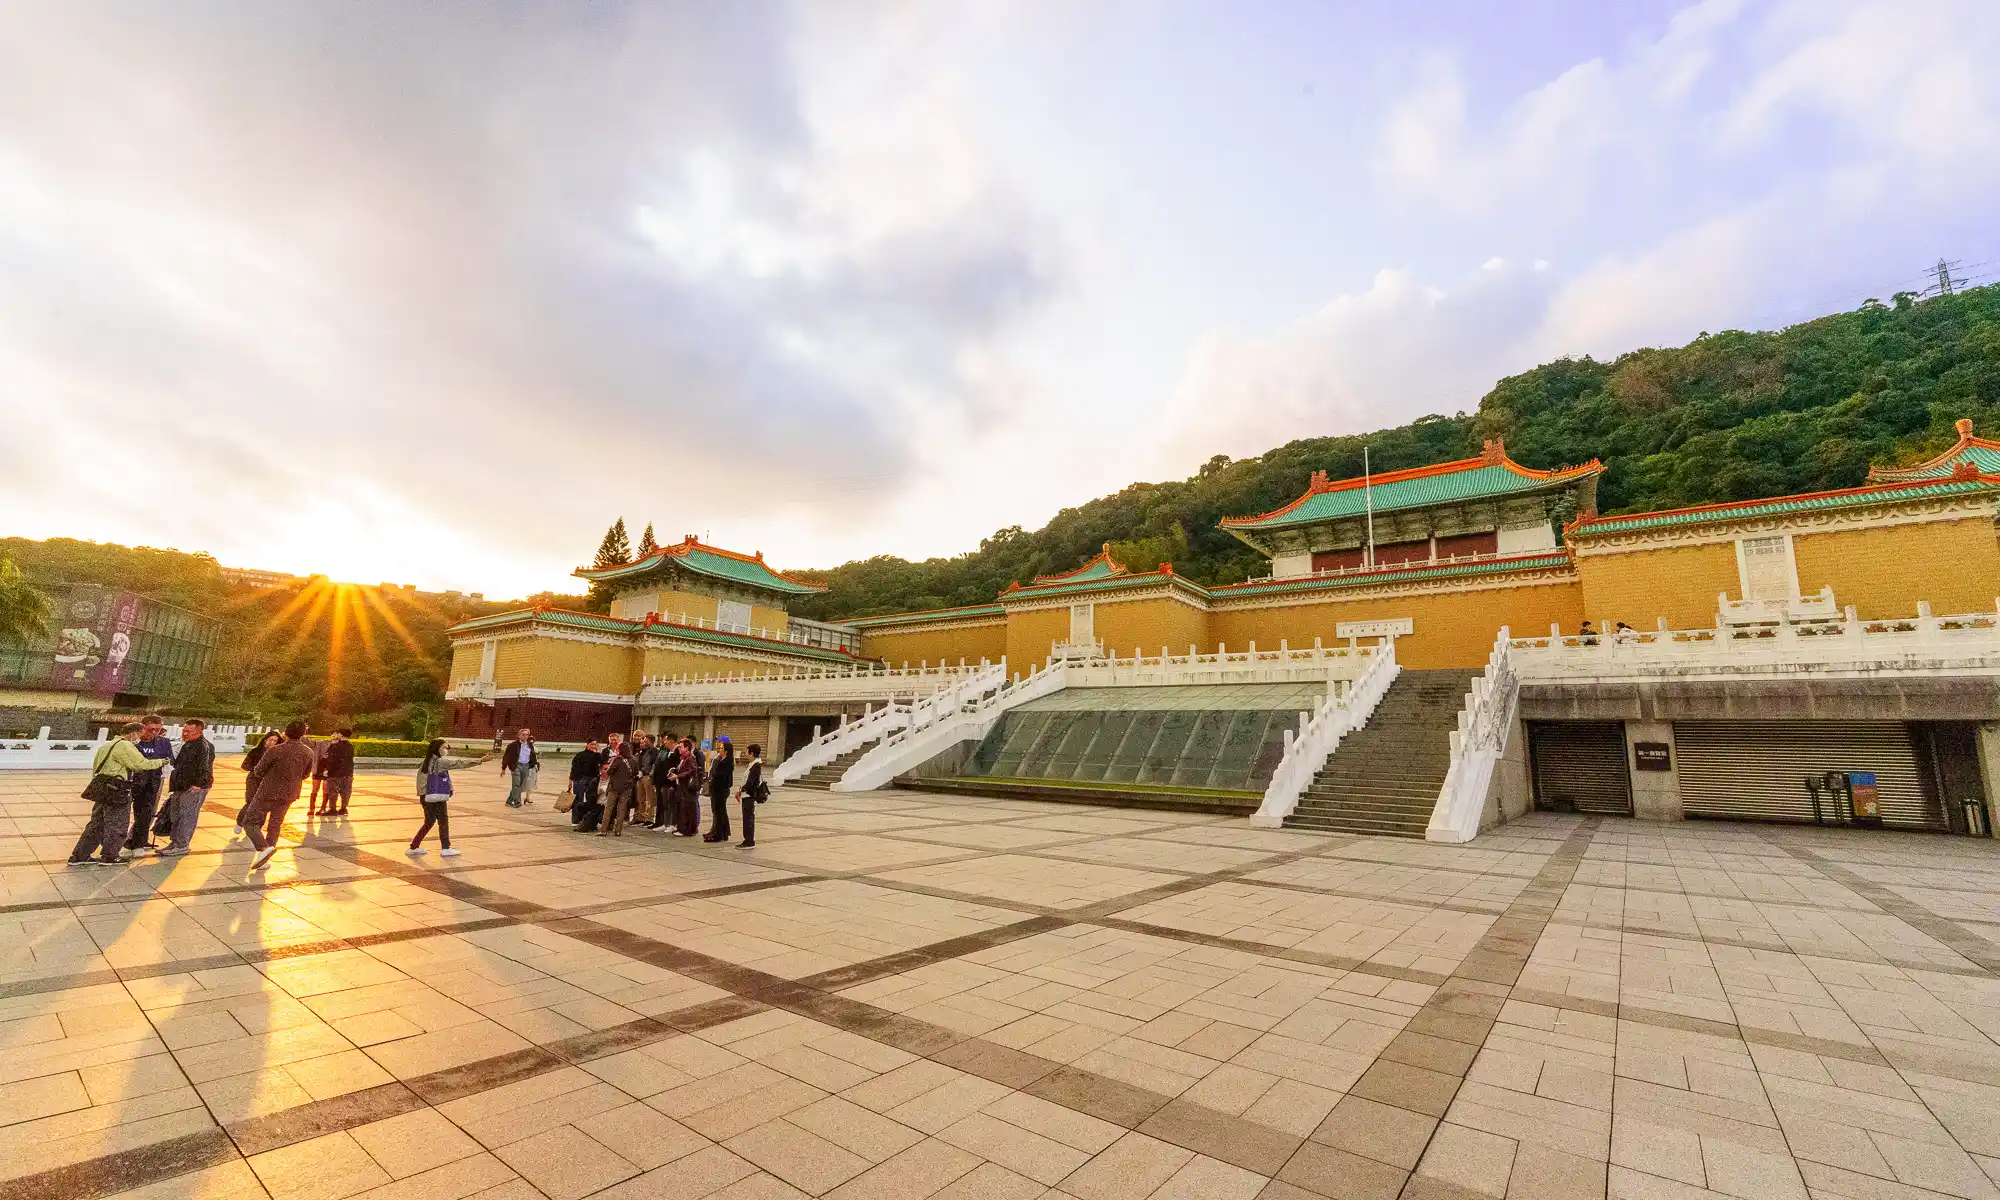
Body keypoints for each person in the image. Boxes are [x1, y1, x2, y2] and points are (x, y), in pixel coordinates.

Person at [68, 723, 168, 866]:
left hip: (102, 789)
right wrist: (161, 761)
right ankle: (110, 856)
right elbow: (140, 764)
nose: (139, 739)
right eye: (139, 735)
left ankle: (79, 855)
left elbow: (96, 767)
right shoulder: (125, 746)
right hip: (117, 790)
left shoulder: (106, 746)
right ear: (133, 733)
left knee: (96, 824)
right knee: (117, 824)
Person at [241, 720, 317, 870]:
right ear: (303, 733)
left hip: (267, 791)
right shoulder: (308, 752)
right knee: (275, 825)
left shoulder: (275, 750)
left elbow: (259, 771)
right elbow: (306, 774)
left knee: (249, 822)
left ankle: (263, 848)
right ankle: (265, 858)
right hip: (289, 793)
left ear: (286, 732)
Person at [409, 738, 481, 857]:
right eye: (444, 748)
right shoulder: (439, 762)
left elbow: (421, 781)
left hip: (426, 797)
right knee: (443, 821)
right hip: (437, 797)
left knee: (429, 822)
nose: (446, 750)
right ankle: (446, 848)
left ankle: (414, 846)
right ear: (437, 749)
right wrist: (480, 760)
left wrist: (424, 794)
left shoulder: (426, 761)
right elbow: (459, 763)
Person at [159, 719, 215, 857]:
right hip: (181, 785)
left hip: (194, 787)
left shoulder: (204, 746)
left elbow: (205, 767)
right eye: (184, 730)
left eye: (190, 731)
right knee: (176, 815)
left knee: (187, 816)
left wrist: (198, 784)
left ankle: (182, 845)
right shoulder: (187, 744)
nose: (186, 733)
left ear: (200, 731)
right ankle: (174, 843)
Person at [124, 714, 174, 855]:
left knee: (145, 814)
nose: (154, 733)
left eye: (157, 730)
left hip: (151, 783)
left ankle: (138, 843)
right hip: (129, 781)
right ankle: (116, 842)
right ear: (142, 727)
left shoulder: (163, 742)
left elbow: (168, 761)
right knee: (121, 814)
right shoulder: (132, 741)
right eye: (150, 729)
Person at [233, 730, 281, 839]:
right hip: (254, 780)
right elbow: (245, 765)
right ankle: (240, 822)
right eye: (271, 740)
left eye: (275, 741)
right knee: (250, 802)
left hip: (268, 783)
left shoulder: (278, 753)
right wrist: (256, 770)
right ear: (265, 740)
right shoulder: (256, 751)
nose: (272, 742)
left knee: (263, 805)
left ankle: (257, 827)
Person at [315, 729, 356, 816]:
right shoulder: (351, 747)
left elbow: (332, 760)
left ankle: (332, 809)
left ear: (341, 735)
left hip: (335, 773)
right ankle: (343, 808)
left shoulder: (336, 746)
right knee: (345, 792)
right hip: (348, 772)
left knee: (333, 792)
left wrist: (327, 770)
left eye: (338, 733)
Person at [568, 737, 605, 832]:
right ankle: (576, 820)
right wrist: (570, 781)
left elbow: (602, 765)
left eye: (595, 744)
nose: (593, 746)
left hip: (592, 780)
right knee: (578, 799)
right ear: (587, 745)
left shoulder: (598, 755)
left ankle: (587, 820)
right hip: (580, 779)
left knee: (591, 800)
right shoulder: (580, 755)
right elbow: (573, 768)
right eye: (591, 744)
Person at [703, 737, 734, 843]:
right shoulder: (720, 759)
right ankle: (720, 832)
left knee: (719, 812)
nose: (718, 748)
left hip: (721, 790)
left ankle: (718, 834)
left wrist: (713, 777)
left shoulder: (727, 762)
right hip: (717, 789)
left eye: (721, 747)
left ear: (726, 750)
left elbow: (720, 775)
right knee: (718, 811)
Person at [736, 743, 767, 849]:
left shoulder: (756, 765)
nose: (745, 753)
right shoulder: (753, 764)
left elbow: (750, 782)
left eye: (747, 751)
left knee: (748, 818)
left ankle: (749, 841)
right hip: (746, 795)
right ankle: (747, 839)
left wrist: (741, 791)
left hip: (749, 795)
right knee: (747, 817)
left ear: (752, 753)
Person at [601, 746, 635, 837]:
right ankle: (618, 831)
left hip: (614, 787)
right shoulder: (633, 759)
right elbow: (636, 772)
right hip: (627, 787)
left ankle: (603, 830)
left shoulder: (617, 760)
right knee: (622, 808)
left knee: (609, 808)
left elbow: (609, 772)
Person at [502, 728, 539, 807]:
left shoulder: (530, 745)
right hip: (516, 766)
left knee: (520, 785)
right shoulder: (513, 745)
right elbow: (506, 757)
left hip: (526, 766)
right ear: (519, 736)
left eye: (527, 735)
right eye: (523, 735)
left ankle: (509, 801)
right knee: (516, 784)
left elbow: (533, 756)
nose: (525, 736)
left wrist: (534, 765)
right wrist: (503, 768)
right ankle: (517, 802)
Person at [674, 737, 703, 836]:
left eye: (681, 747)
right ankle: (683, 828)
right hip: (683, 787)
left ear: (687, 748)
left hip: (689, 787)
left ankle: (688, 830)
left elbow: (692, 771)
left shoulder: (691, 757)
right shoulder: (683, 758)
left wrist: (678, 776)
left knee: (688, 808)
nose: (679, 749)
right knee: (683, 807)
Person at [648, 738, 679, 830]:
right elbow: (658, 765)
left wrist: (673, 784)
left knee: (671, 804)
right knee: (664, 803)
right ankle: (664, 823)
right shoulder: (664, 751)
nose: (664, 742)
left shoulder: (676, 753)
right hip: (662, 781)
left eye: (666, 740)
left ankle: (671, 824)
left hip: (671, 782)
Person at [633, 735, 658, 826]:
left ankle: (650, 818)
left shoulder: (654, 752)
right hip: (640, 776)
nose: (643, 742)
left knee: (650, 798)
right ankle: (641, 817)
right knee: (640, 798)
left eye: (645, 741)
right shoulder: (642, 752)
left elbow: (654, 765)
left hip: (647, 776)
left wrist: (650, 775)